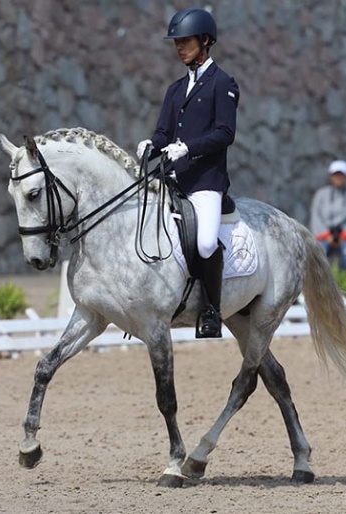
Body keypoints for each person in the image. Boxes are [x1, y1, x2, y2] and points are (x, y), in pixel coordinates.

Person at [136, 8, 239, 338]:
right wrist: (151, 145)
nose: (179, 47)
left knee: (206, 243)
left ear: (205, 41)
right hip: (174, 178)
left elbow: (225, 133)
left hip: (205, 182)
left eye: (185, 41)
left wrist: (189, 148)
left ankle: (211, 310)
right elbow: (164, 132)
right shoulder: (175, 89)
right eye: (176, 43)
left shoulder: (222, 84)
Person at [310, 159, 346, 272]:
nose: (338, 178)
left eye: (341, 175)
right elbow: (316, 216)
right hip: (325, 234)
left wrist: (343, 235)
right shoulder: (321, 194)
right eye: (335, 175)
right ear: (330, 177)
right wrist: (327, 235)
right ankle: (322, 286)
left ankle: (343, 284)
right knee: (318, 256)